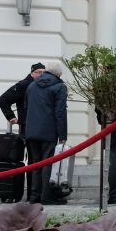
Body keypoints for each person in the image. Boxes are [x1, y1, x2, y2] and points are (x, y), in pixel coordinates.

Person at [24, 62, 68, 205]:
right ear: (58, 74)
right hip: (49, 131)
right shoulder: (60, 87)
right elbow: (60, 112)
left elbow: (26, 108)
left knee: (36, 164)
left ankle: (34, 196)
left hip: (31, 131)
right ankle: (47, 196)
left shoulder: (32, 86)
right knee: (47, 164)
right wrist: (62, 135)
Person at [0, 62, 45, 132]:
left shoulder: (44, 85)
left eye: (44, 73)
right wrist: (11, 117)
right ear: (32, 73)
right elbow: (3, 99)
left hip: (42, 126)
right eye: (39, 72)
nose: (42, 75)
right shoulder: (23, 85)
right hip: (27, 127)